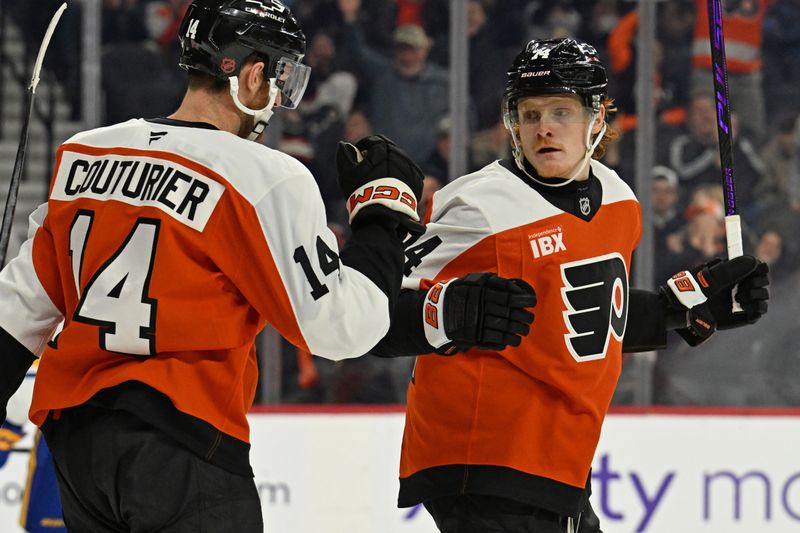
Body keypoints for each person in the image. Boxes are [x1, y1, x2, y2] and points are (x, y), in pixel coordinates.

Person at [0, 0, 524, 530]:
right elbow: (341, 329)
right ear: (252, 75)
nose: (279, 100)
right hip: (182, 440)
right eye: (283, 79)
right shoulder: (261, 174)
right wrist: (381, 218)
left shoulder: (86, 154)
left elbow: (18, 312)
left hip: (77, 448)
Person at [371, 38, 770, 532]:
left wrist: (684, 309)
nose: (545, 128)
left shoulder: (620, 202)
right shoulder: (478, 207)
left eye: (562, 111)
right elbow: (374, 317)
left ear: (598, 118)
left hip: (559, 463)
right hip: (482, 459)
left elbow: (583, 319)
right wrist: (446, 312)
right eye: (530, 113)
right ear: (512, 121)